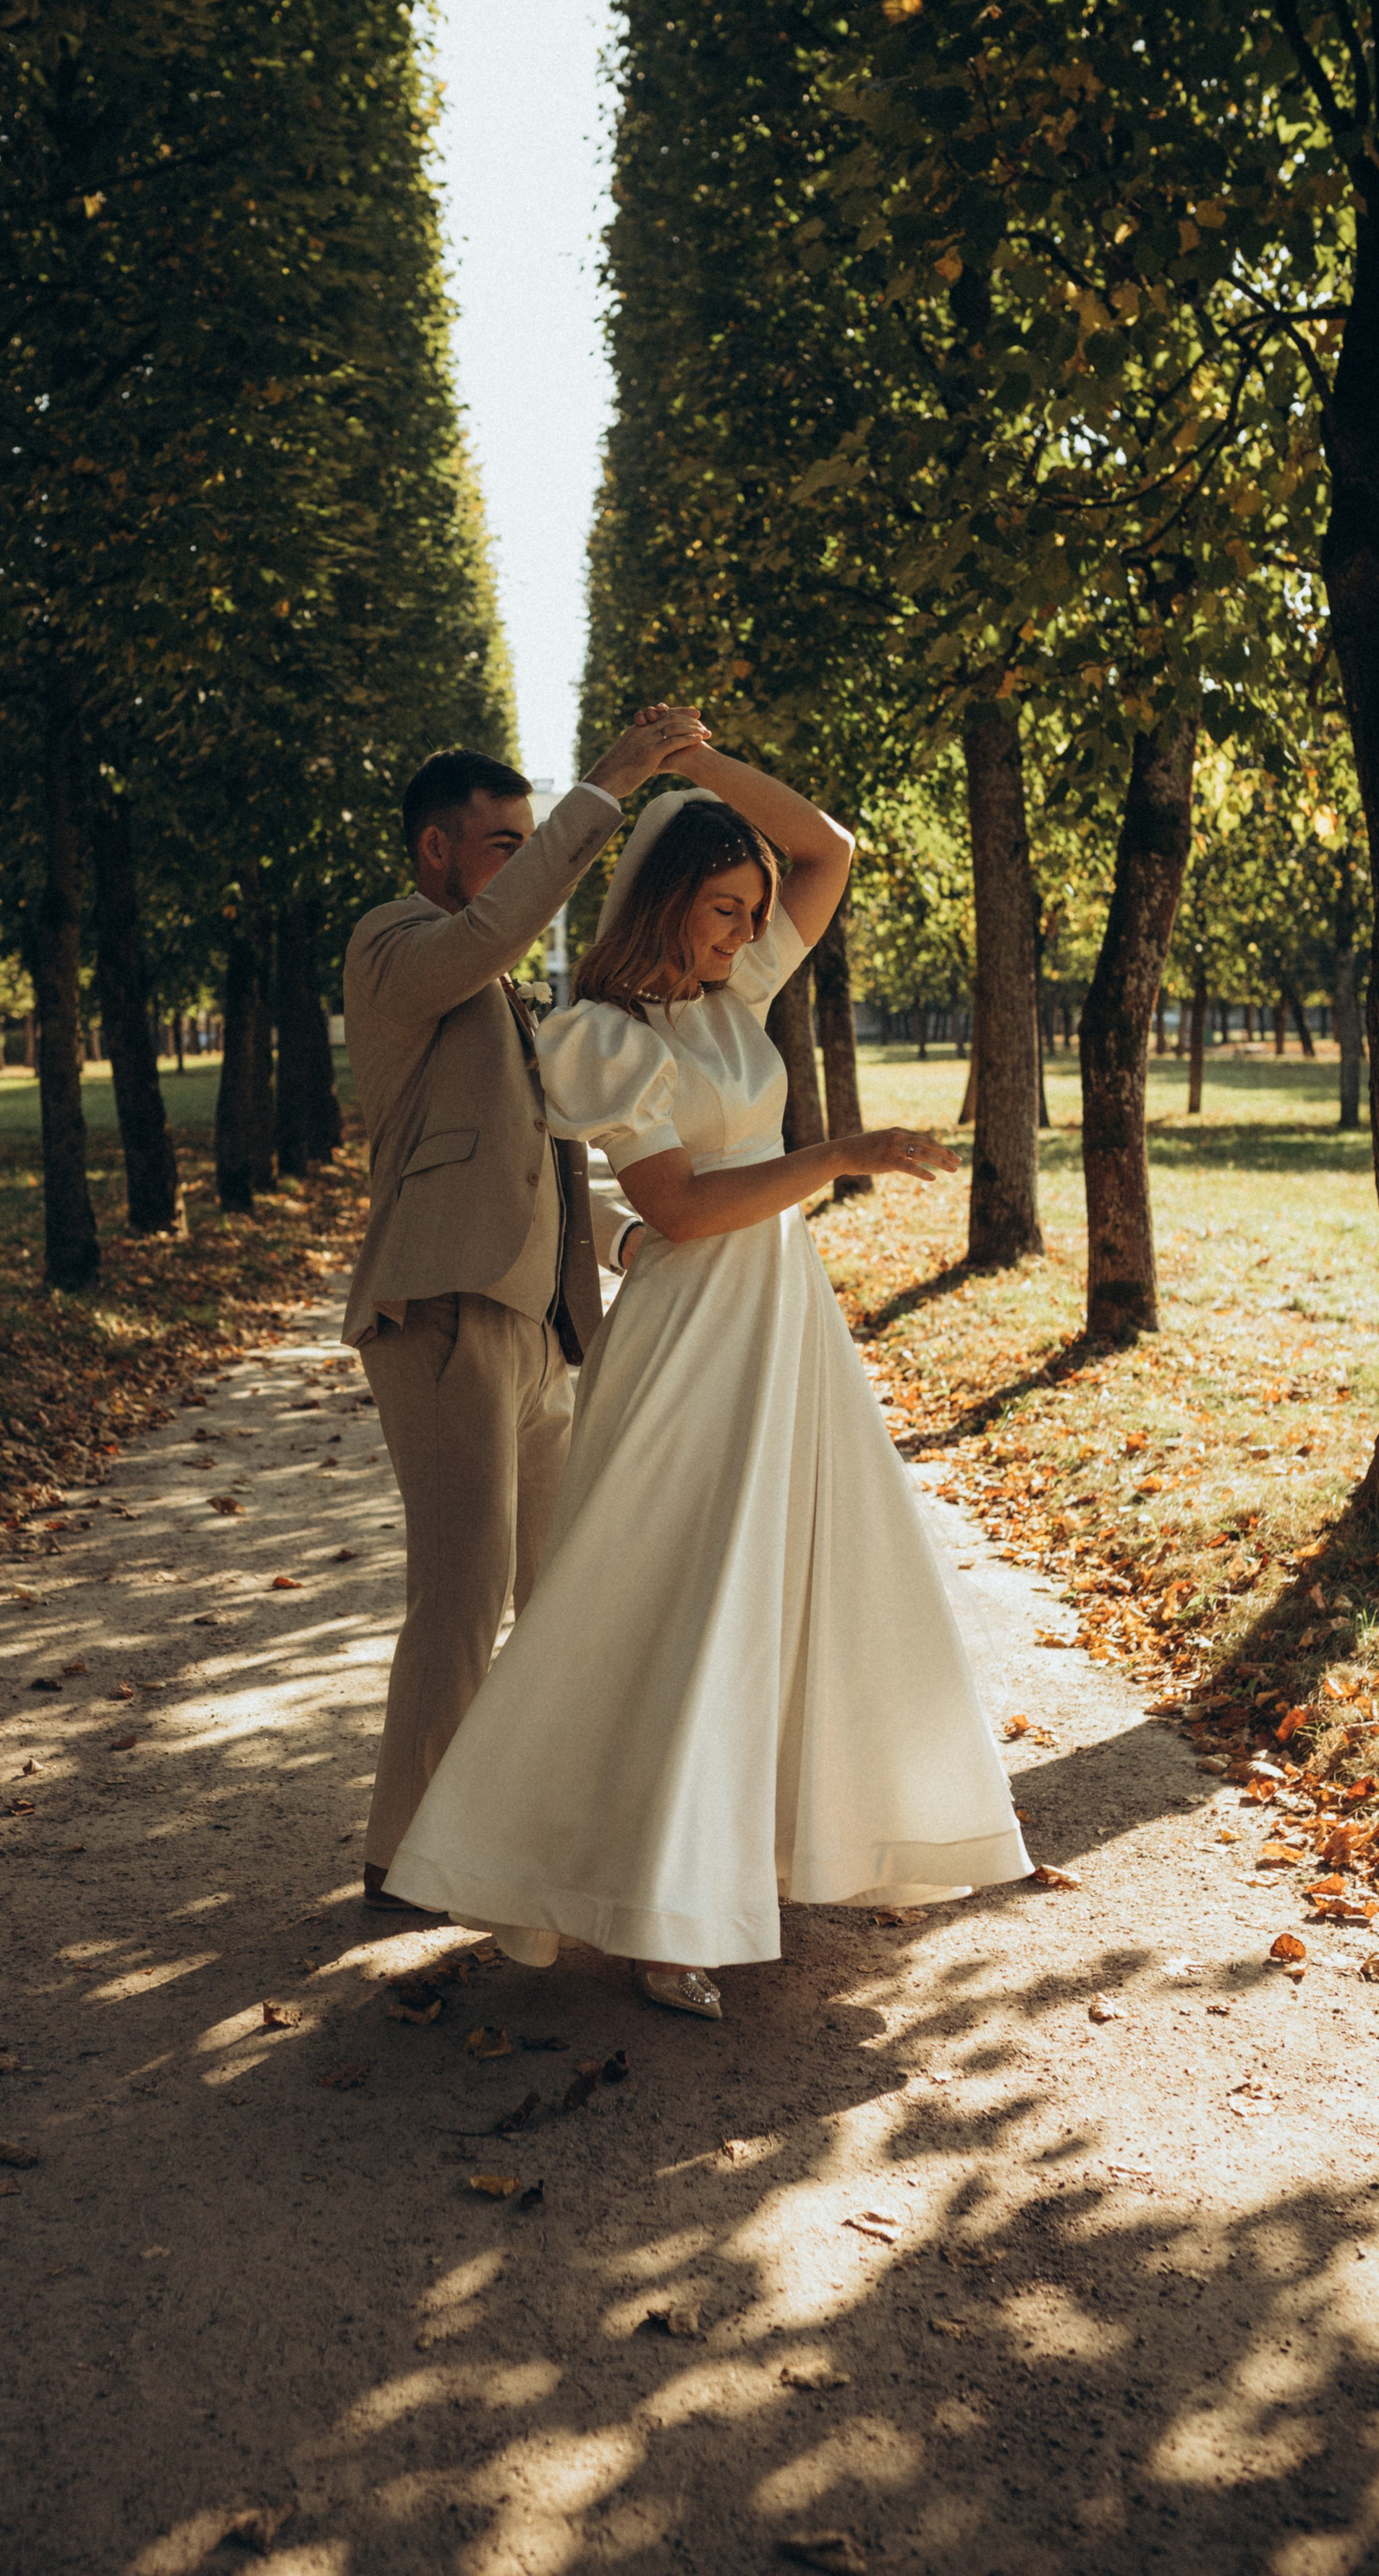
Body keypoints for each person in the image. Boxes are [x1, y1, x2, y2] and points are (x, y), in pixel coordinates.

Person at [385, 730, 1032, 2014]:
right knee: (677, 1593)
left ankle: (785, 1850)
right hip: (692, 1331)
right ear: (669, 902)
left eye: (750, 913)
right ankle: (659, 1907)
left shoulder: (736, 995)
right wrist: (836, 1154)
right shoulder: (602, 1036)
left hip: (785, 1319)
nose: (747, 933)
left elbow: (827, 849)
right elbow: (675, 1208)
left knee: (806, 1574)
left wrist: (705, 765)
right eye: (725, 910)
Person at [344, 708, 713, 1910]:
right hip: (445, 1312)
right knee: (461, 1592)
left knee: (561, 1590)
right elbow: (502, 925)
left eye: (528, 837)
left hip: (547, 1330)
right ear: (436, 853)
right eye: (506, 841)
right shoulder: (399, 947)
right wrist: (603, 788)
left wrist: (626, 1238)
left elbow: (540, 1161)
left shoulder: (502, 994)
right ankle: (404, 1861)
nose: (525, 859)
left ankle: (551, 1829)